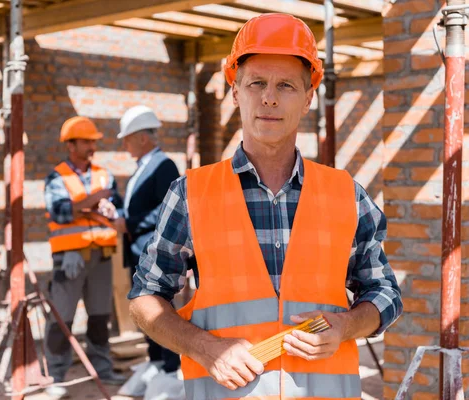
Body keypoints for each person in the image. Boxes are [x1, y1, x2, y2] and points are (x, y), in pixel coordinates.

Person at [128, 14, 402, 399]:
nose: (269, 97)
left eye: (286, 85)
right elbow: (145, 298)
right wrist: (205, 348)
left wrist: (346, 326)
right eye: (256, 83)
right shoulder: (191, 193)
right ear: (236, 92)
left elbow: (385, 293)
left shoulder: (346, 194)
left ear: (308, 97)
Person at [43, 116, 126, 398]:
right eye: (87, 141)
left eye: (93, 141)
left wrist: (104, 208)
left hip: (101, 256)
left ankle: (103, 370)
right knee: (61, 318)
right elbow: (61, 212)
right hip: (69, 257)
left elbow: (119, 211)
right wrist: (97, 198)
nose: (92, 146)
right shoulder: (57, 177)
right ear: (71, 144)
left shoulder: (105, 175)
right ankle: (55, 376)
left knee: (100, 318)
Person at [106, 106, 181, 394]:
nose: (123, 145)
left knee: (160, 308)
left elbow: (167, 211)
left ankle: (171, 367)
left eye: (127, 138)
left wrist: (131, 223)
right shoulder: (143, 168)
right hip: (138, 249)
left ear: (142, 138)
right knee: (146, 308)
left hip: (154, 250)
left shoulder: (163, 166)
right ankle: (158, 361)